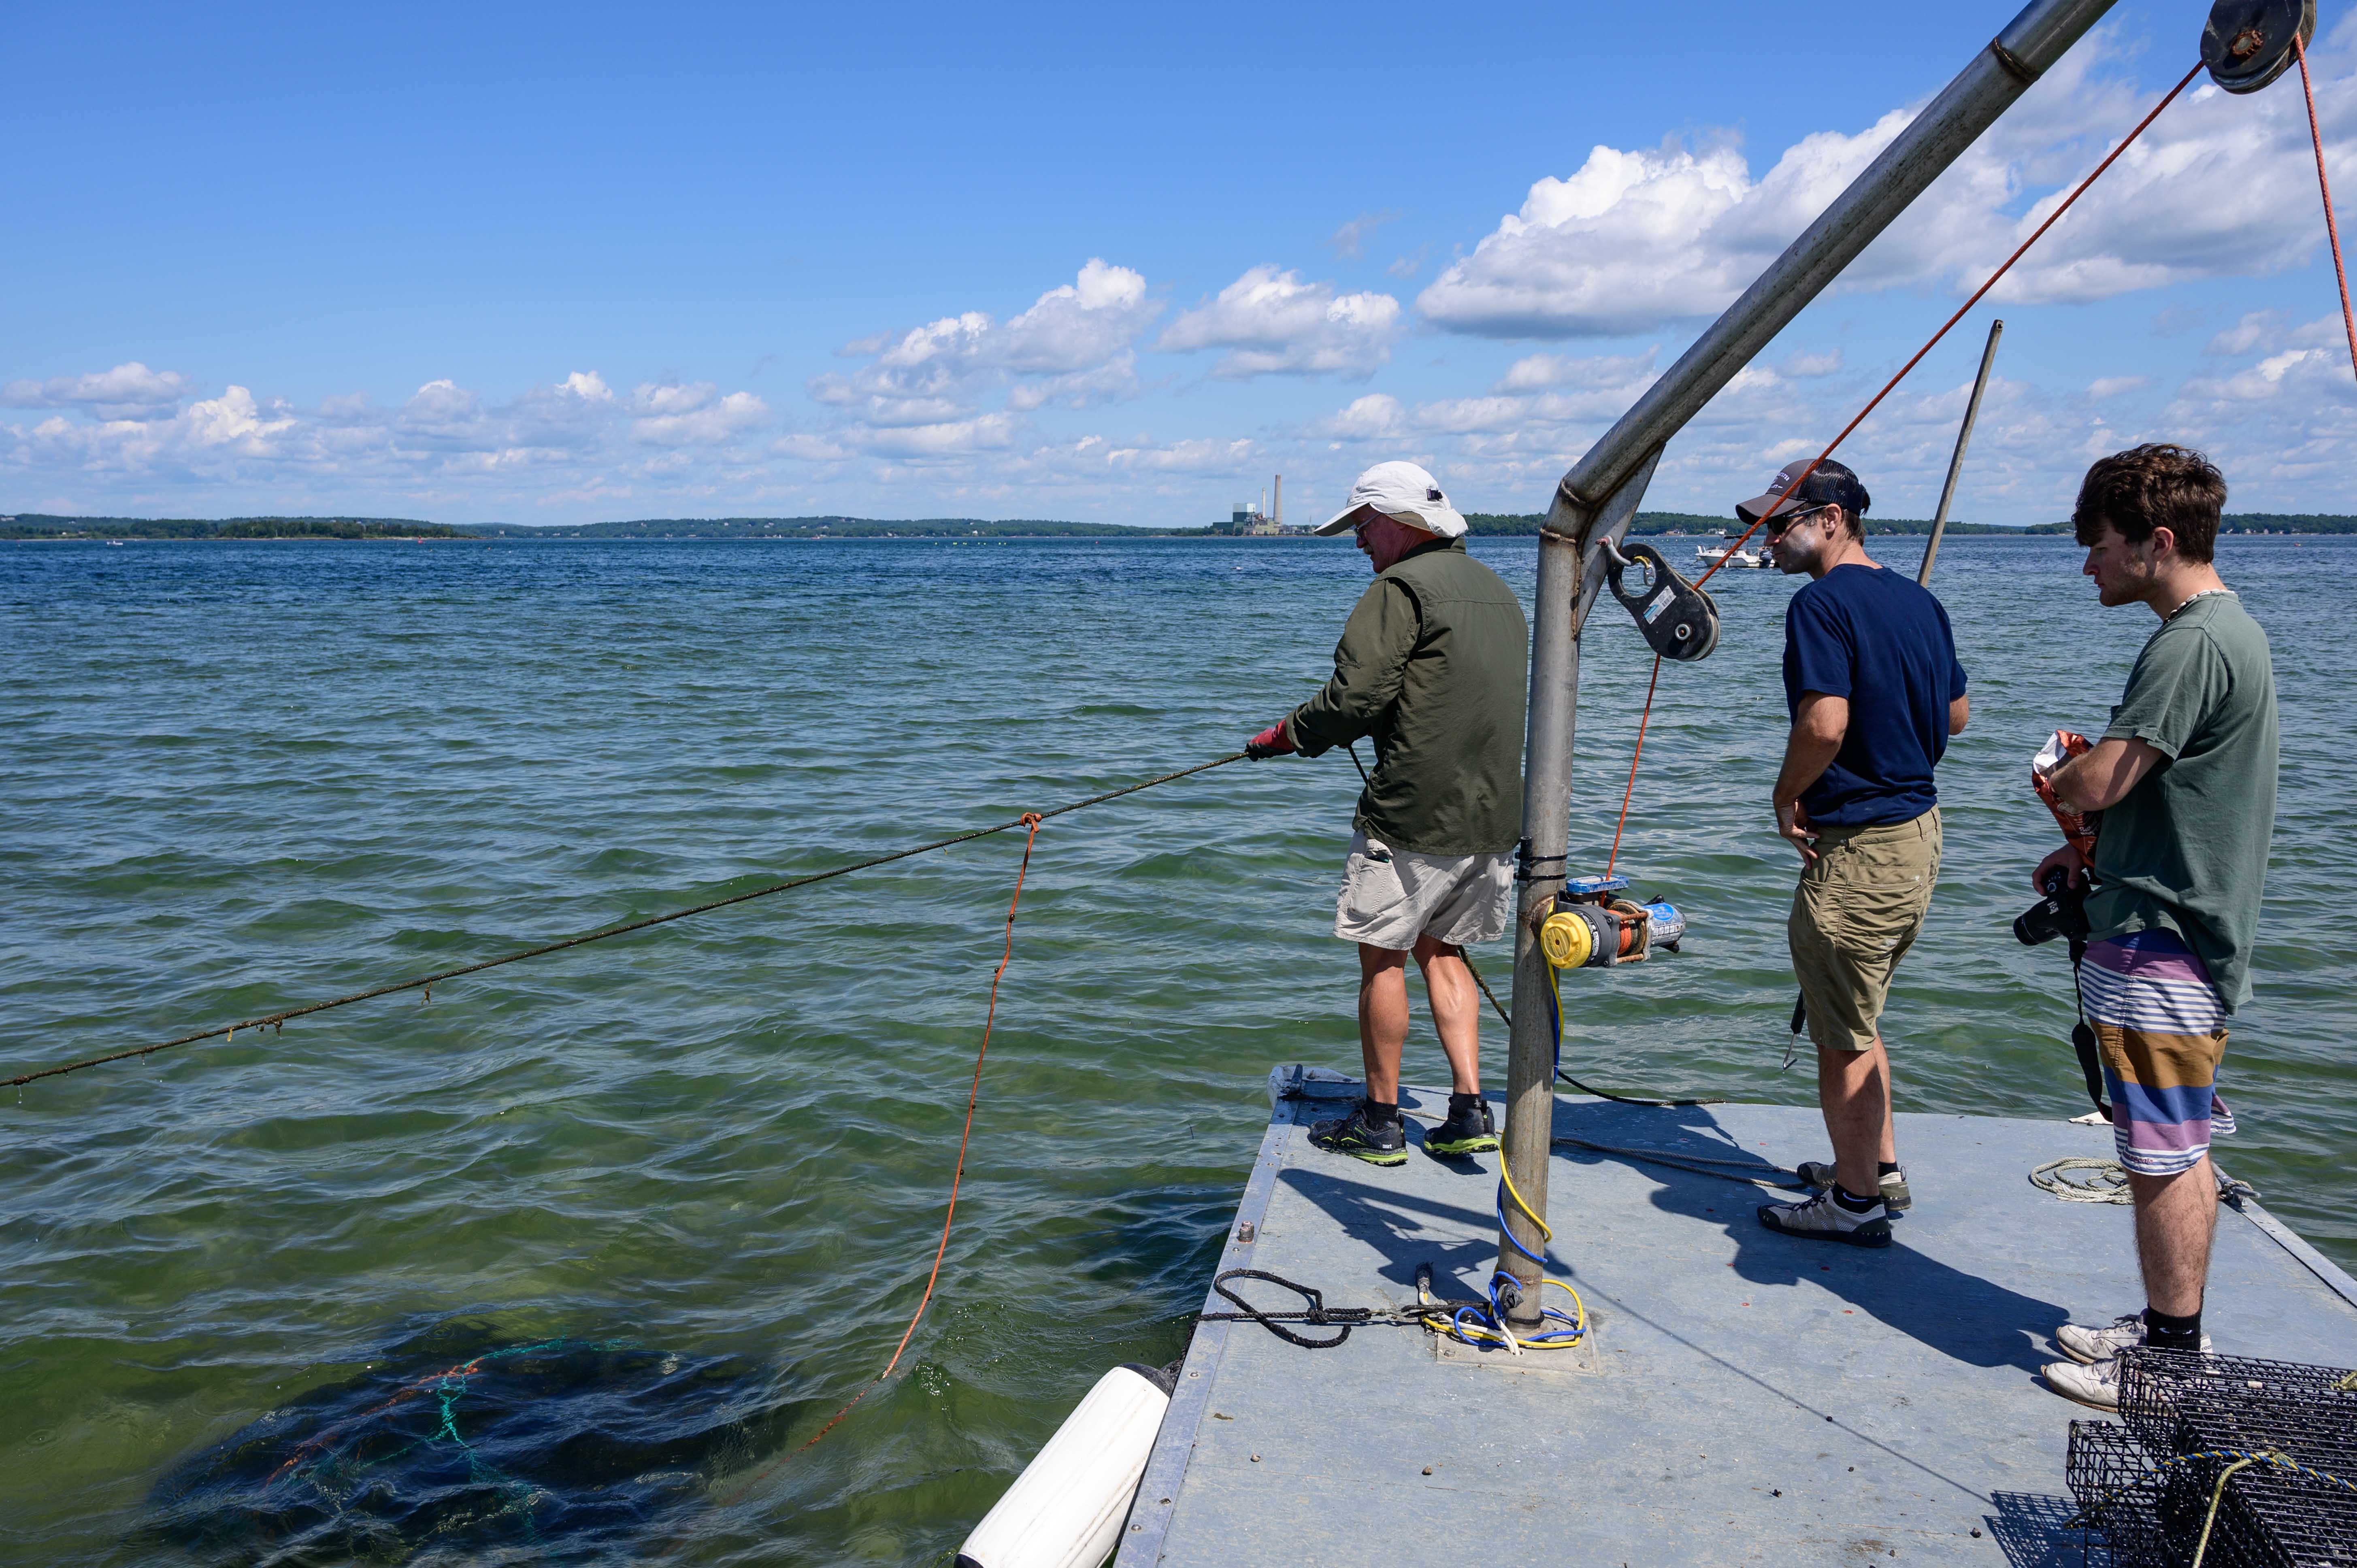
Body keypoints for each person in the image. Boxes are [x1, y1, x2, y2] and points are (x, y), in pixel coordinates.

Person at [2035, 445, 2278, 1411]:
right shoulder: (2223, 632)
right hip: (2168, 915)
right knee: (2170, 1137)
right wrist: (2090, 843)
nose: (2088, 563)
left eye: (2098, 544)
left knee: (2161, 1149)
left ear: (2156, 542)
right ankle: (2166, 1325)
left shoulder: (2190, 642)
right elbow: (2159, 789)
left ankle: (2173, 1358)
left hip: (2163, 934)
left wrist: (2061, 779)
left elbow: (2108, 776)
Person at [1242, 460, 1529, 1166]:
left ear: (1401, 522)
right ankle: (1468, 1108)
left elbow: (1353, 699)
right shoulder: (1497, 589)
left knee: (1383, 962)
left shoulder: (1398, 587)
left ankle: (1378, 1120)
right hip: (1492, 816)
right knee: (1445, 951)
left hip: (1412, 814)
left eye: (1363, 526)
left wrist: (1286, 736)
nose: (1358, 542)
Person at [1743, 457, 1969, 1248]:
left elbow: (1824, 724)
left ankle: (1853, 1202)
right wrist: (1901, 738)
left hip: (1860, 846)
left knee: (1838, 1034)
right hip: (1919, 836)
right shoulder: (1917, 600)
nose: (1769, 538)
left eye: (1781, 522)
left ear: (1831, 519)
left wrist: (1785, 795)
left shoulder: (1819, 605)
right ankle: (1878, 1168)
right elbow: (1959, 714)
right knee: (1859, 1009)